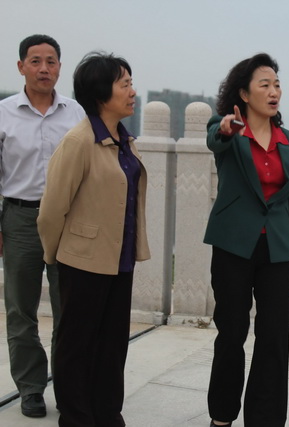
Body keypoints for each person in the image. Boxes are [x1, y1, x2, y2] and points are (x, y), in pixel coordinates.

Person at [37, 51, 149, 426]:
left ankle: (107, 413)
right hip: (82, 260)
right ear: (101, 93)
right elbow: (52, 210)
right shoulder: (79, 141)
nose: (132, 92)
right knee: (77, 344)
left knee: (113, 343)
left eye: (131, 83)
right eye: (125, 84)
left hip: (120, 259)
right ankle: (76, 417)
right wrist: (57, 255)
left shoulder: (125, 140)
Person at [203, 53, 289, 427]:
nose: (273, 91)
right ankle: (222, 416)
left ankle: (265, 420)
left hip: (277, 250)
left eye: (277, 84)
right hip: (233, 246)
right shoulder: (229, 129)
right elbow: (215, 139)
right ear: (245, 94)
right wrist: (227, 129)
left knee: (274, 338)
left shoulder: (288, 140)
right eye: (264, 85)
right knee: (232, 333)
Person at [0, 34, 85, 418]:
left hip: (68, 219)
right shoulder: (4, 113)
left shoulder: (75, 113)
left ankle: (68, 386)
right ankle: (31, 388)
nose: (44, 68)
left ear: (59, 68)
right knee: (21, 309)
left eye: (51, 61)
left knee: (69, 308)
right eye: (35, 61)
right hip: (20, 218)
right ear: (21, 67)